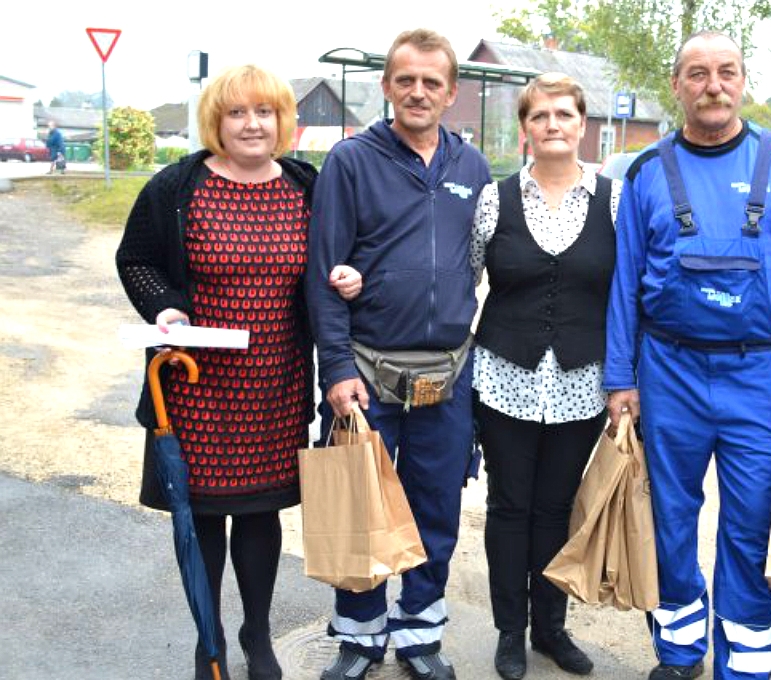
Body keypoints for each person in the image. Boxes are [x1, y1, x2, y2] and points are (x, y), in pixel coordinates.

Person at [604, 31, 771, 680]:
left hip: (755, 375)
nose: (713, 86)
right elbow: (625, 283)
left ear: (743, 81)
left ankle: (746, 665)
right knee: (670, 520)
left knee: (752, 525)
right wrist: (621, 376)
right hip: (667, 372)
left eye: (726, 72)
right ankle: (678, 654)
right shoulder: (647, 170)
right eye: (698, 74)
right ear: (676, 86)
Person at [116, 64, 320, 680]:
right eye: (237, 112)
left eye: (263, 112)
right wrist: (164, 306)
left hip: (275, 385)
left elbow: (340, 256)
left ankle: (257, 636)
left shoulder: (309, 187)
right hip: (196, 389)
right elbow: (136, 259)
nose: (251, 124)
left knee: (260, 514)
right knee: (201, 517)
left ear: (283, 120)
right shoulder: (177, 187)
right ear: (216, 122)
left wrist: (347, 278)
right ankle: (210, 643)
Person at [306, 28, 490, 680]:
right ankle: (359, 639)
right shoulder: (351, 161)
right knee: (359, 512)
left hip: (447, 378)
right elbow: (324, 272)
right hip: (365, 371)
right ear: (387, 86)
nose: (418, 92)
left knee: (434, 507)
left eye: (431, 82)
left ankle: (420, 634)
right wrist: (334, 368)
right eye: (405, 80)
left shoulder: (472, 168)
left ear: (451, 92)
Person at [471, 72, 620, 680]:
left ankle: (551, 628)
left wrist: (625, 382)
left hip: (582, 383)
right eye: (540, 116)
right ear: (526, 128)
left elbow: (629, 293)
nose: (553, 125)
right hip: (504, 376)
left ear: (582, 125)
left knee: (557, 508)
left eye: (564, 114)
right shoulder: (495, 199)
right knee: (510, 507)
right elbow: (460, 280)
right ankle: (510, 630)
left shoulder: (613, 199)